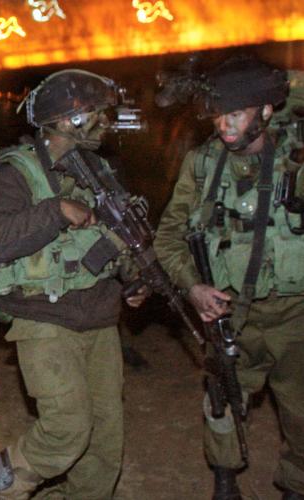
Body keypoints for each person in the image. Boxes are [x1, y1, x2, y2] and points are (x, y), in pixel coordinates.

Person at [0, 70, 147, 500]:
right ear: (69, 120)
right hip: (43, 318)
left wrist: (135, 279)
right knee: (67, 428)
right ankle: (8, 482)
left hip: (100, 317)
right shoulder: (15, 171)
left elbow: (117, 240)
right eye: (96, 114)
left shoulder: (98, 169)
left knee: (104, 439)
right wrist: (55, 210)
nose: (106, 122)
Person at [154, 56, 304, 500]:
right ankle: (224, 479)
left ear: (265, 111)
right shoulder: (202, 164)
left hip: (297, 316)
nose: (224, 124)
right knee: (221, 400)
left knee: (301, 412)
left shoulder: (297, 158)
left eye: (235, 112)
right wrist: (193, 287)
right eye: (219, 114)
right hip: (231, 313)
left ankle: (296, 486)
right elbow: (168, 238)